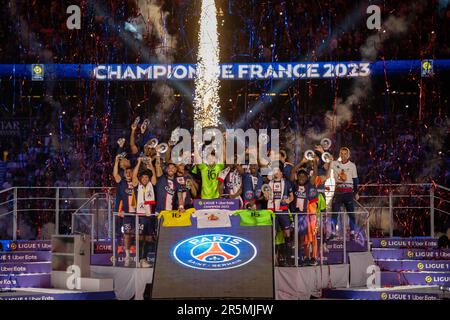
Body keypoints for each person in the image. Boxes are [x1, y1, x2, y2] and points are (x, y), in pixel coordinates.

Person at [263, 162, 294, 265]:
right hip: (272, 212)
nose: (276, 173)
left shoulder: (287, 183)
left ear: (281, 172)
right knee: (273, 234)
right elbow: (266, 197)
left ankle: (288, 258)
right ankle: (273, 259)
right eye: (274, 170)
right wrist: (266, 196)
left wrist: (288, 201)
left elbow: (291, 196)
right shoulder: (269, 183)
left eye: (277, 171)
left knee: (287, 234)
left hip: (283, 211)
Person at [290, 163, 319, 266]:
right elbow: (293, 171)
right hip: (299, 216)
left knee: (313, 237)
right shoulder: (294, 185)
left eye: (304, 176)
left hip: (310, 216)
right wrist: (302, 161)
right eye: (300, 176)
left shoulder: (309, 185)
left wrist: (315, 162)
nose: (302, 177)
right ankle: (306, 257)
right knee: (303, 238)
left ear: (307, 177)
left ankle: (314, 257)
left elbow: (315, 174)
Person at [131, 157, 157, 268]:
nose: (145, 179)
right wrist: (139, 162)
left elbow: (154, 177)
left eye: (147, 177)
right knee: (140, 238)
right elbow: (134, 176)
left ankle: (144, 259)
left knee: (149, 238)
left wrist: (151, 163)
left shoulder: (151, 185)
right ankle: (137, 259)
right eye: (143, 177)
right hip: (140, 216)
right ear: (140, 179)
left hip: (150, 215)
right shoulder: (138, 186)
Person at [330, 147, 359, 240]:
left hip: (348, 192)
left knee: (351, 213)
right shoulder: (334, 163)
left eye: (345, 154)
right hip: (338, 191)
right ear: (339, 155)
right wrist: (323, 152)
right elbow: (326, 161)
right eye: (341, 154)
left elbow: (355, 180)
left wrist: (356, 192)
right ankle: (333, 232)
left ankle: (352, 232)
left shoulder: (352, 165)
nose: (343, 155)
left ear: (348, 155)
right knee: (334, 213)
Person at [113, 154, 135, 267]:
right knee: (127, 233)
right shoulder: (122, 182)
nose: (128, 174)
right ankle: (127, 256)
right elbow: (115, 174)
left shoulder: (137, 183)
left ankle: (139, 255)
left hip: (137, 213)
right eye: (126, 172)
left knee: (137, 234)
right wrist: (116, 161)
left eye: (130, 172)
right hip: (126, 213)